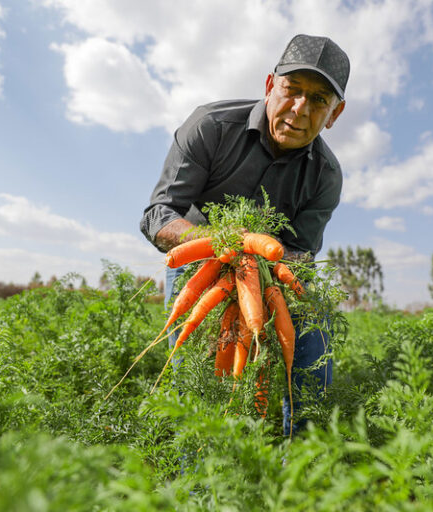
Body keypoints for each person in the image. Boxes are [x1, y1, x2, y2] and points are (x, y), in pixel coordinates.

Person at [140, 34, 350, 436]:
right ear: (270, 86)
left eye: (319, 99)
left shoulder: (326, 175)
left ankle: (303, 454)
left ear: (334, 114)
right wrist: (220, 240)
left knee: (312, 349)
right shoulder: (211, 126)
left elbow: (302, 253)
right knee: (195, 379)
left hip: (273, 276)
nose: (300, 109)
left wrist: (264, 266)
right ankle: (196, 463)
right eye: (292, 90)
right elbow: (159, 215)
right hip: (199, 260)